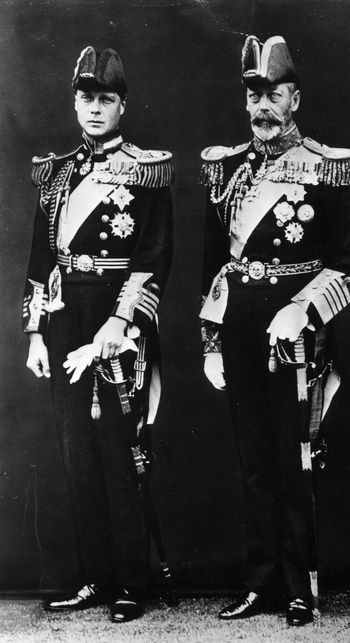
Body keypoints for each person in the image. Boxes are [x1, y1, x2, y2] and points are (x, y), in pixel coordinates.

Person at [199, 35, 350, 626]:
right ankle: (259, 583)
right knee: (253, 460)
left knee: (295, 459)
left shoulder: (329, 167)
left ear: (294, 98)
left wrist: (304, 307)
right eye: (253, 96)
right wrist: (212, 340)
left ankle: (300, 588)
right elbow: (210, 265)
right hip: (242, 326)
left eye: (273, 94)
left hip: (296, 332)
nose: (262, 107)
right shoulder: (224, 169)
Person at [23, 46, 173, 622]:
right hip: (64, 318)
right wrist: (35, 331)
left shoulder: (148, 168)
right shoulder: (56, 173)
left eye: (105, 99)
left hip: (118, 318)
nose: (93, 108)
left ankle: (132, 582)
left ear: (122, 106)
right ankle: (94, 579)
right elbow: (41, 257)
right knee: (75, 454)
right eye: (85, 97)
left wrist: (121, 321)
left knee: (120, 448)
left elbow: (155, 255)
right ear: (75, 102)